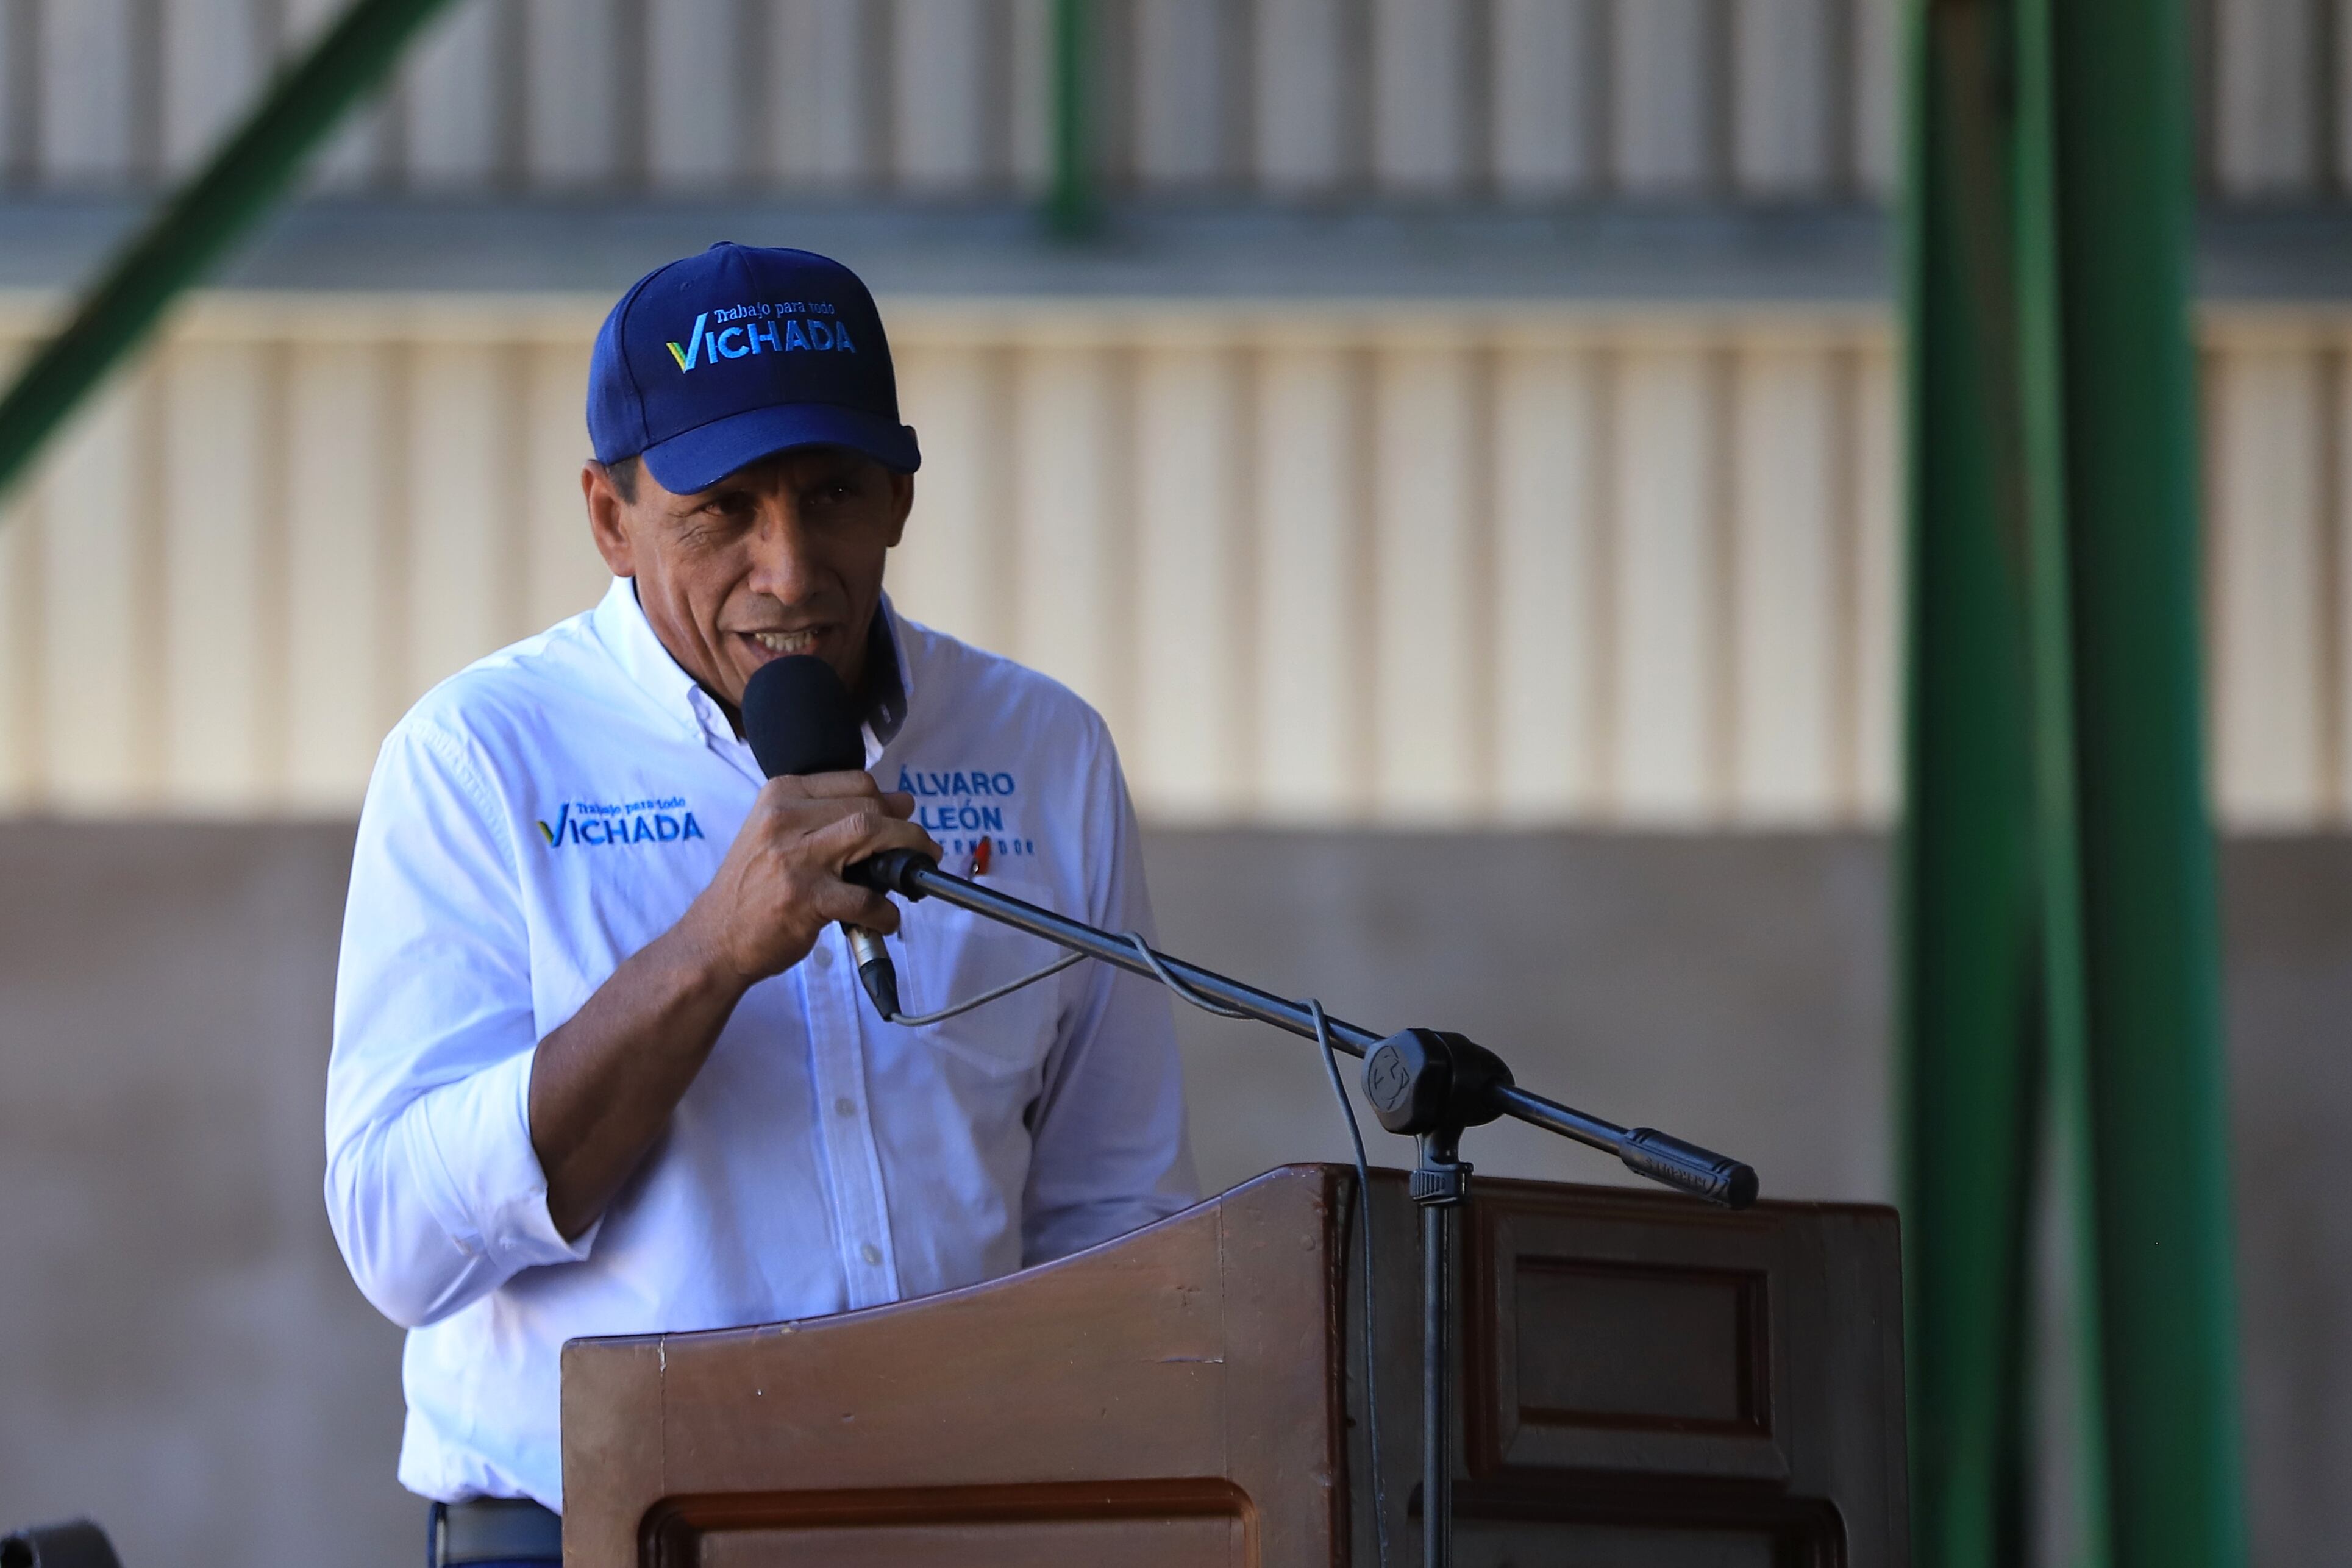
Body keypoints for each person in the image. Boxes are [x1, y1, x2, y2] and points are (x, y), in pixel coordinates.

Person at [324, 243, 1197, 1563]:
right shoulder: (480, 758)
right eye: (722, 509)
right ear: (612, 519)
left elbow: (1118, 1209)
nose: (788, 569)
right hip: (587, 1532)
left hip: (968, 1528)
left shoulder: (1042, 746)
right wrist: (711, 952)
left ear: (901, 495)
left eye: (832, 494)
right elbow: (400, 1240)